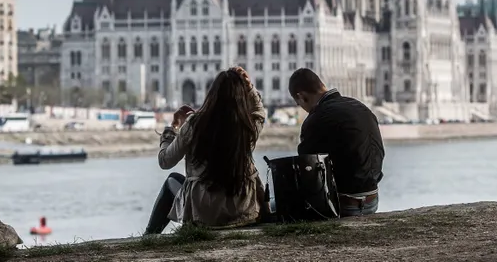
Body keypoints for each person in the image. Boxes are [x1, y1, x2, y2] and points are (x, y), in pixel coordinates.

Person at [144, 67, 266, 234]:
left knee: (172, 179)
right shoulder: (247, 127)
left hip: (204, 215)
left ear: (212, 94)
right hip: (243, 212)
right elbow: (259, 111)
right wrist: (249, 86)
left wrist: (173, 128)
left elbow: (165, 161)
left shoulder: (194, 125)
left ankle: (149, 236)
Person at [288, 68, 384, 217]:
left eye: (299, 104)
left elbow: (307, 169)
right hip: (373, 199)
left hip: (345, 204)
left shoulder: (317, 119)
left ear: (302, 97)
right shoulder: (360, 107)